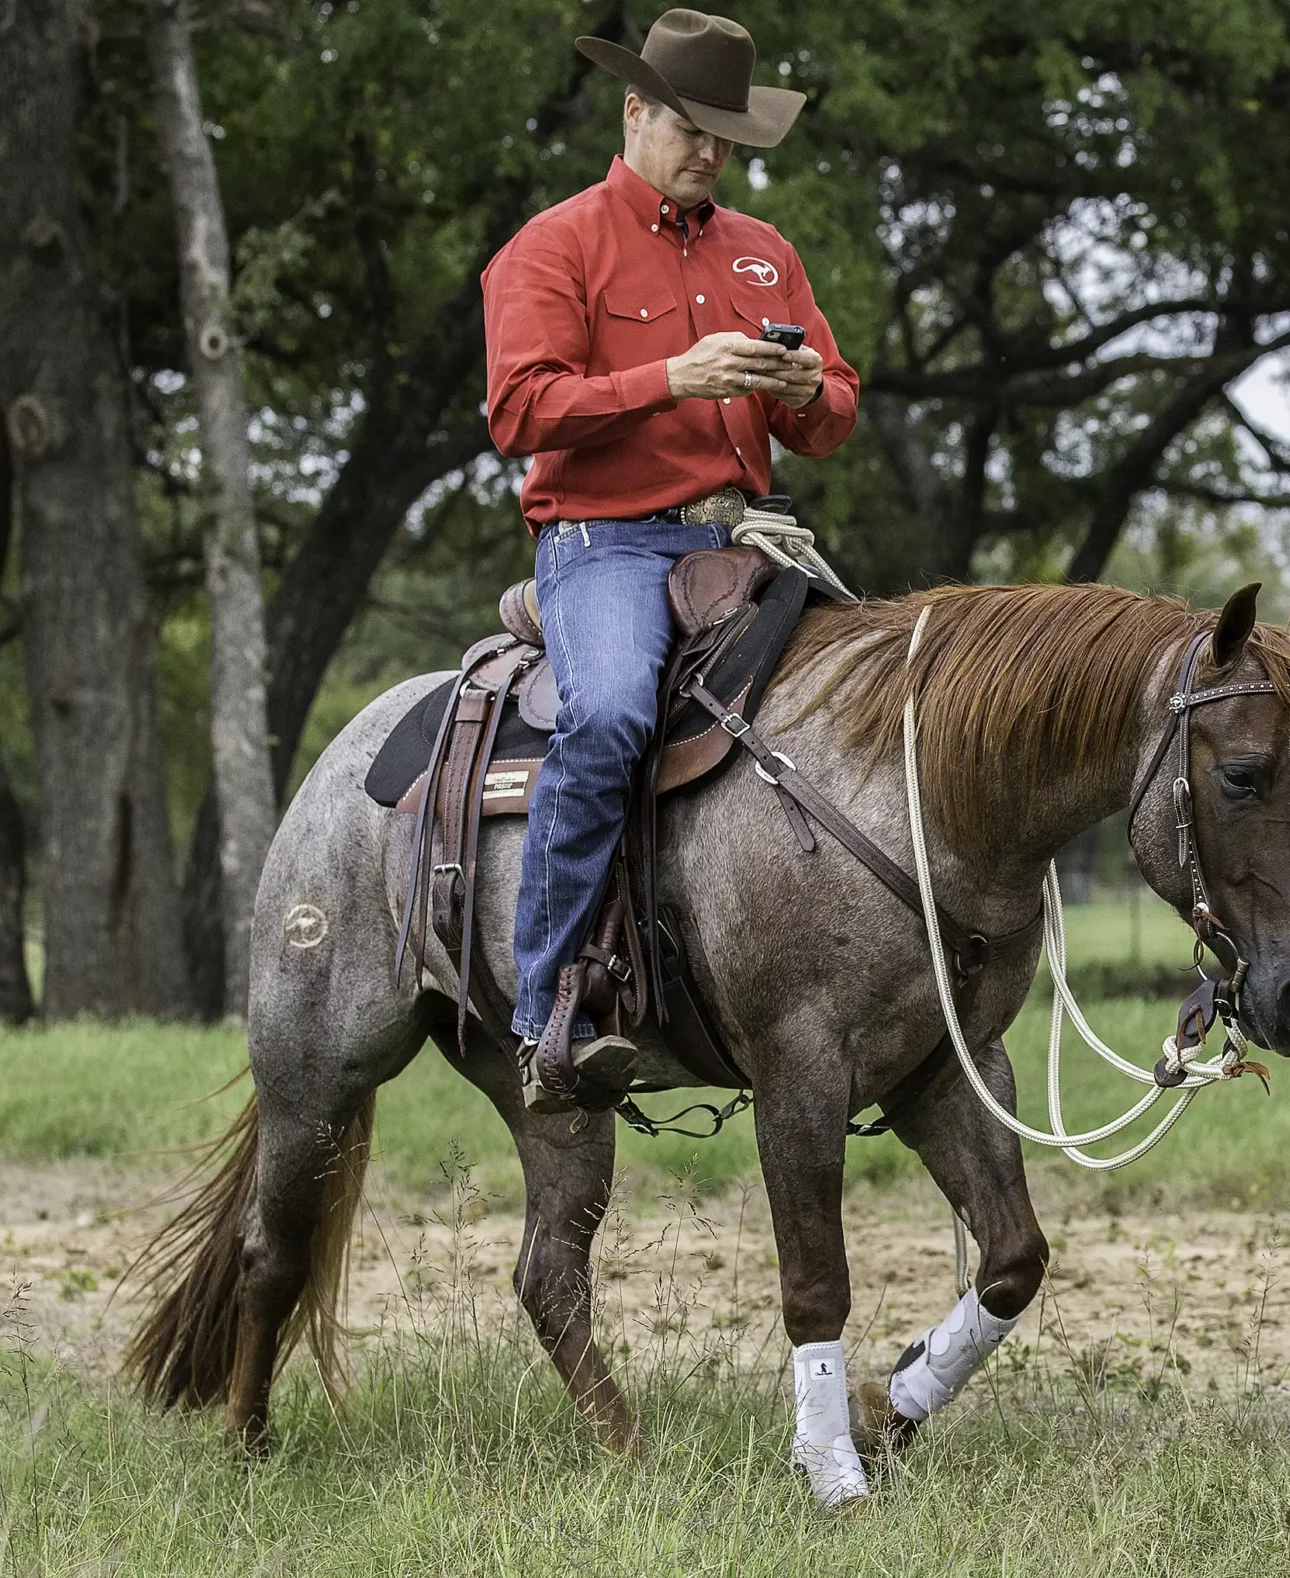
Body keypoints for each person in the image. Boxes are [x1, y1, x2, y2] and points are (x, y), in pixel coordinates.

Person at [482, 9, 858, 1112]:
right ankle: (546, 1014)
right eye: (691, 128)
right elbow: (518, 411)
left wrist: (808, 391)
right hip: (604, 544)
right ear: (634, 110)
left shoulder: (765, 251)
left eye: (725, 135)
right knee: (607, 717)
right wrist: (669, 380)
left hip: (743, 539)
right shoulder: (554, 244)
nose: (709, 151)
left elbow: (832, 414)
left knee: (878, 705)